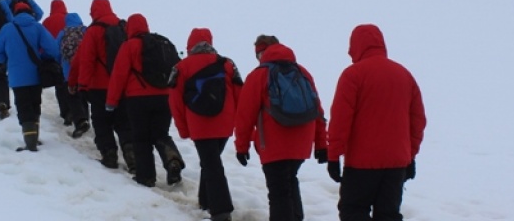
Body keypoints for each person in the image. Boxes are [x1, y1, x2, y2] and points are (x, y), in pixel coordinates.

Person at [327, 24, 426, 221]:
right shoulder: (404, 75)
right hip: (396, 164)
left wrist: (333, 155)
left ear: (355, 47)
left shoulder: (353, 75)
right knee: (388, 215)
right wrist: (410, 156)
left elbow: (340, 119)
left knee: (353, 211)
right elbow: (418, 121)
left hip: (360, 164)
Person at [234, 36, 328, 221]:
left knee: (279, 193)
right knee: (290, 182)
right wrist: (321, 144)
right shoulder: (302, 72)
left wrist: (241, 147)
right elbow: (317, 109)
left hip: (273, 144)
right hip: (301, 142)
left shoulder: (259, 75)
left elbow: (245, 114)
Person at [168, 28, 242, 221]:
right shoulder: (227, 64)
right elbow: (239, 93)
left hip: (199, 125)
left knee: (211, 164)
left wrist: (183, 129)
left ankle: (221, 211)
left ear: (190, 45)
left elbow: (175, 101)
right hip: (224, 124)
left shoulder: (181, 67)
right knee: (211, 161)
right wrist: (236, 121)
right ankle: (206, 201)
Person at [106, 13, 185, 188]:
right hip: (164, 97)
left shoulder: (129, 46)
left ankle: (146, 177)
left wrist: (112, 101)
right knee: (161, 134)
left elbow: (119, 75)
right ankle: (172, 159)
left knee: (141, 138)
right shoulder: (162, 43)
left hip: (137, 99)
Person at [68, 0, 134, 172]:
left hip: (99, 87)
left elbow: (84, 60)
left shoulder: (93, 31)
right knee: (123, 121)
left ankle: (109, 154)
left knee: (101, 121)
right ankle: (131, 152)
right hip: (121, 85)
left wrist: (78, 83)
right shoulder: (123, 27)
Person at [0, 2, 61, 151]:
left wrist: (8, 60)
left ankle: (30, 143)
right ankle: (34, 137)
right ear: (30, 12)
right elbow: (53, 49)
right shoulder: (37, 27)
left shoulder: (7, 29)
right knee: (35, 105)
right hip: (36, 75)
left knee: (24, 108)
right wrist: (43, 57)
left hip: (17, 77)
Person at [57, 12, 91, 138]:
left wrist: (60, 63)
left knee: (73, 97)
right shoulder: (86, 30)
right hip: (84, 71)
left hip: (68, 71)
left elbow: (57, 50)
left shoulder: (63, 33)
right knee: (82, 96)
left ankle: (80, 121)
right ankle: (86, 118)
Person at [42, 0, 72, 123]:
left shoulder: (47, 22)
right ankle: (76, 112)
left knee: (59, 87)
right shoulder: (69, 20)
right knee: (70, 85)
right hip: (69, 57)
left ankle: (65, 113)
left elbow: (42, 41)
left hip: (53, 58)